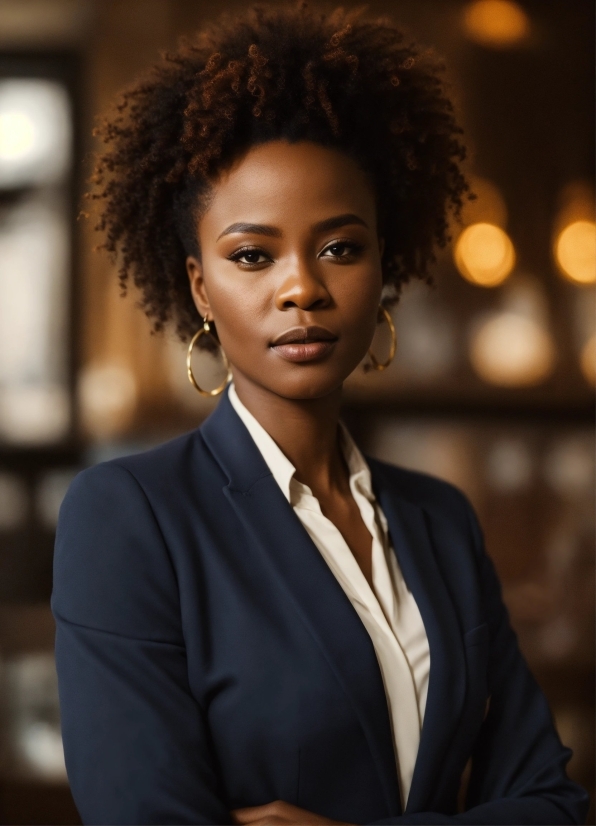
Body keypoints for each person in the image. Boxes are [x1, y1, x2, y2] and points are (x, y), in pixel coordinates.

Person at [52, 4, 589, 824]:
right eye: (252, 255)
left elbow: (551, 805)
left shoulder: (439, 521)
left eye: (340, 247)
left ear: (385, 264)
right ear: (200, 285)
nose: (300, 286)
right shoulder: (130, 518)